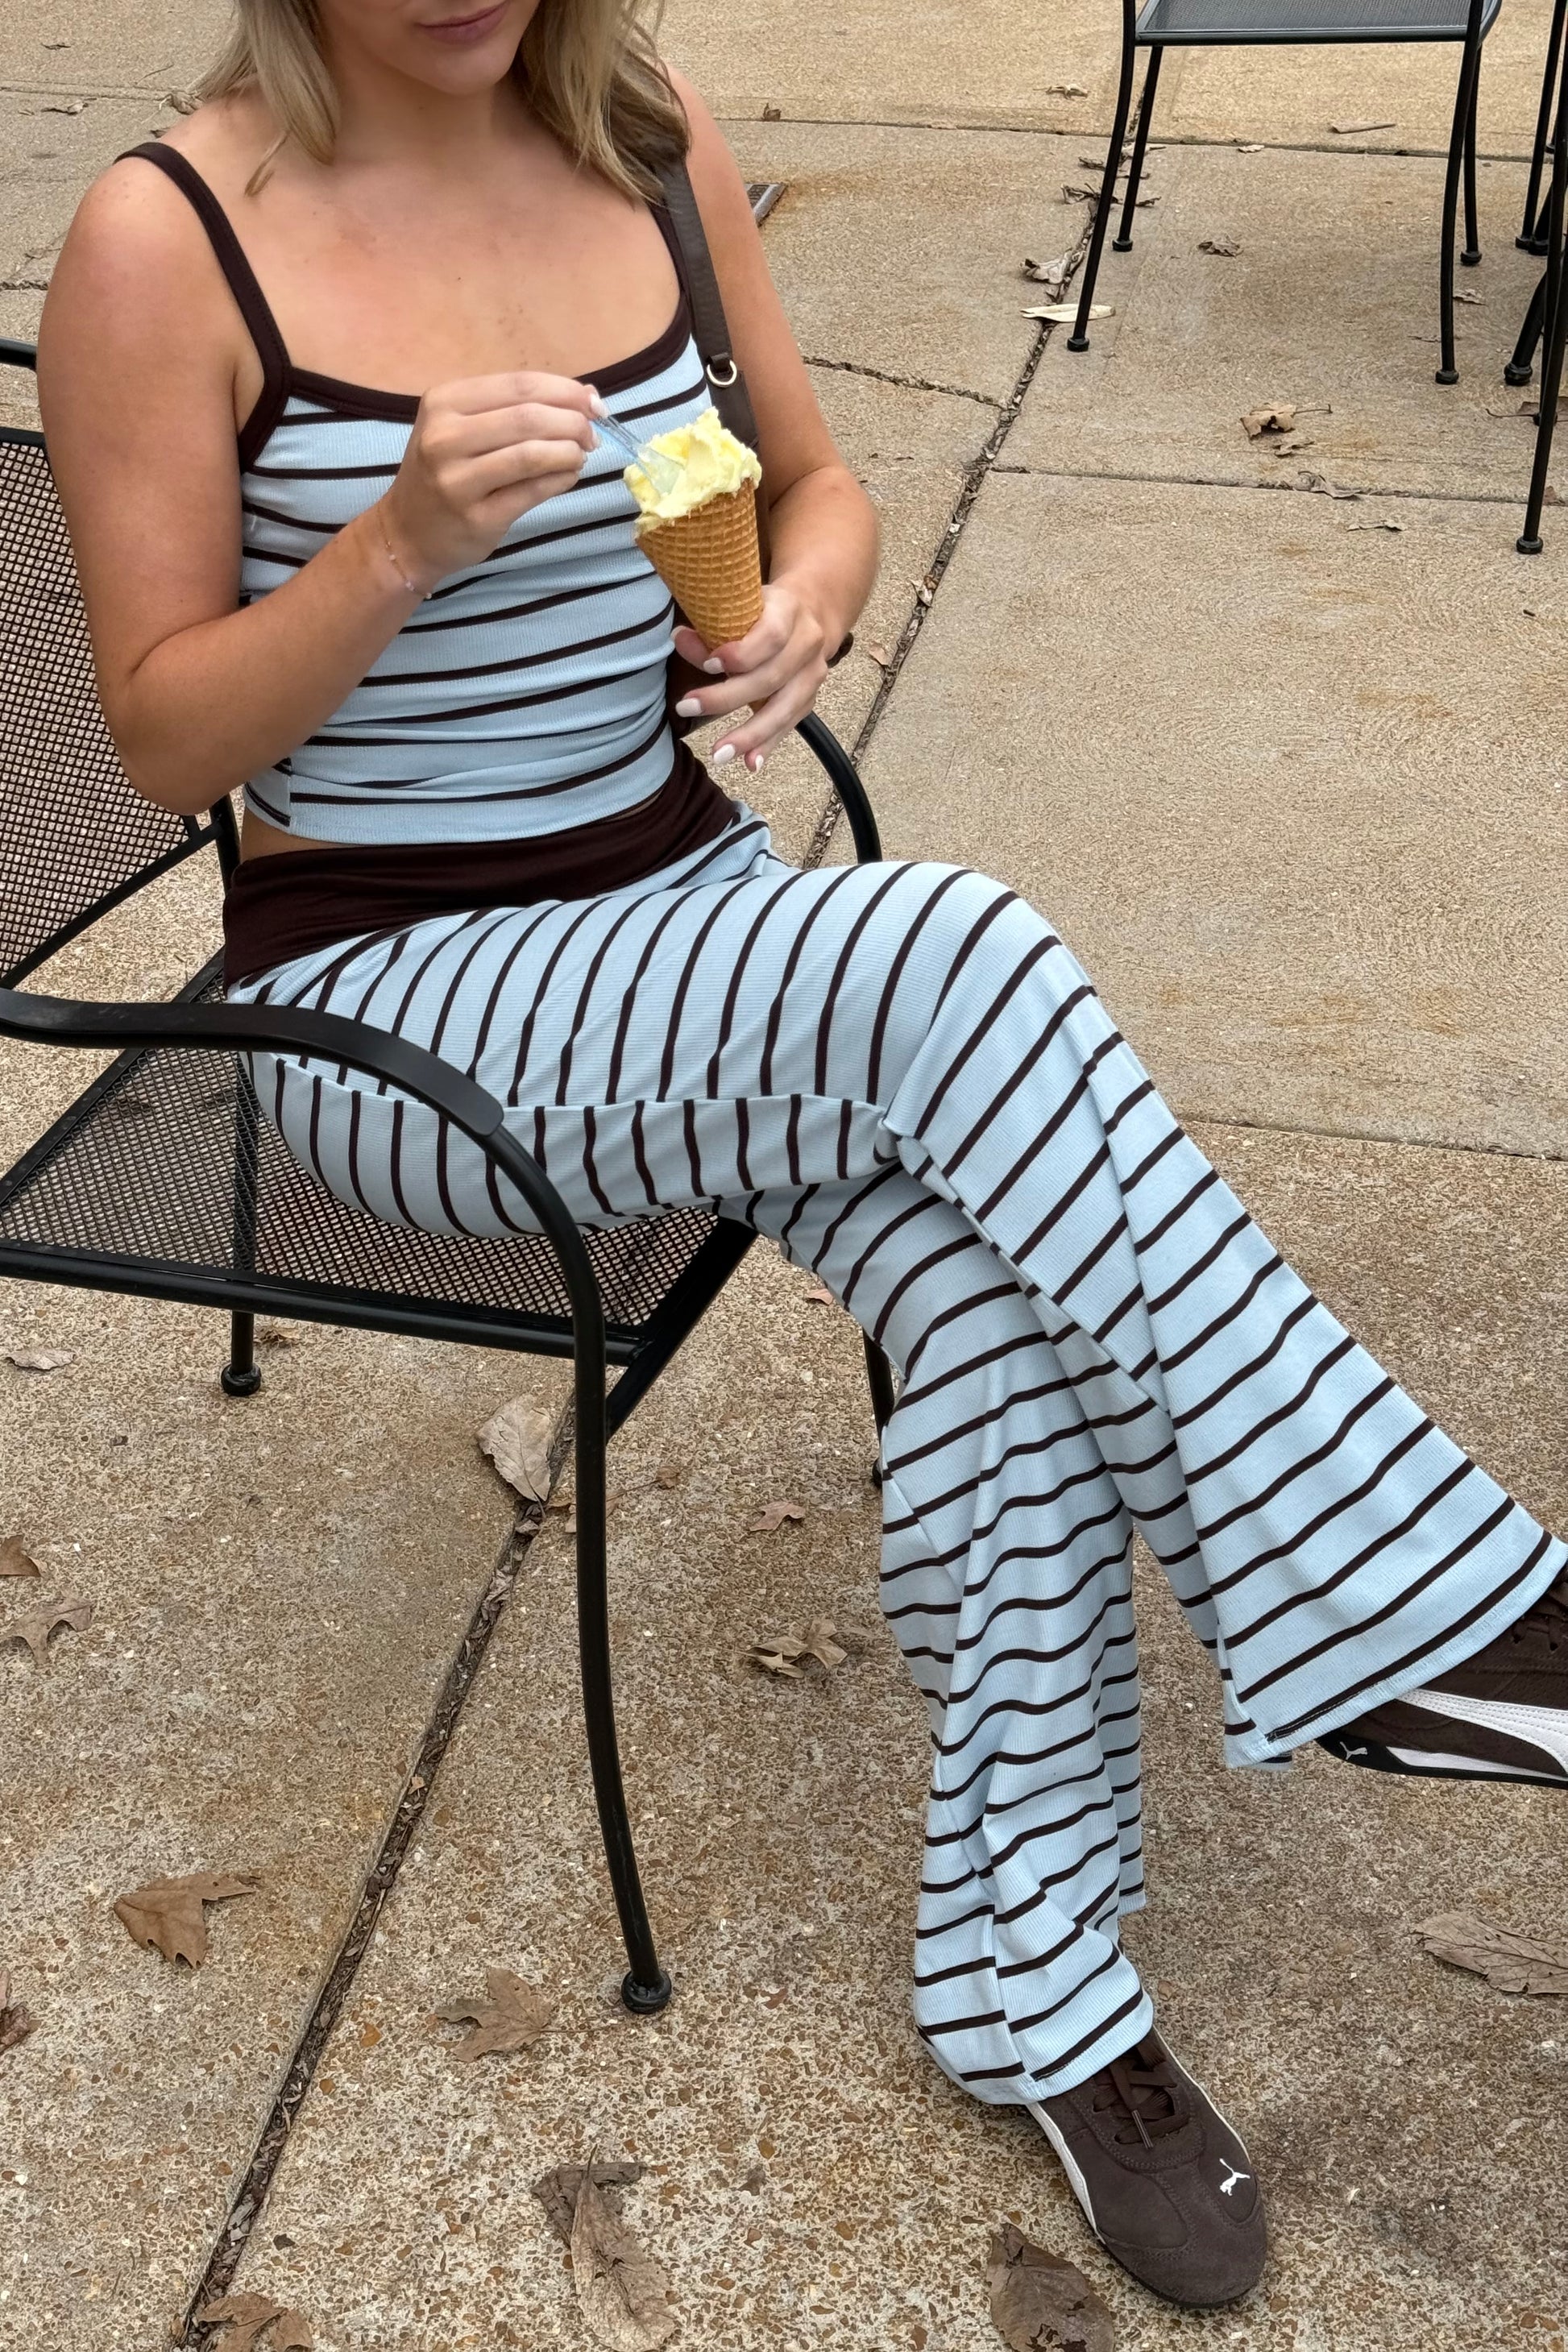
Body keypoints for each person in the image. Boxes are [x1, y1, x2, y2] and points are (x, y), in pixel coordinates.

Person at [37, 0, 1567, 2312]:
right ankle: (1411, 1613)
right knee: (949, 949)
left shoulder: (642, 135)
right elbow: (162, 716)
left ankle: (1041, 1999)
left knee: (998, 1305)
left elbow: (818, 483)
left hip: (702, 937)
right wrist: (392, 552)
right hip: (386, 1007)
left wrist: (808, 606)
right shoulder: (163, 242)